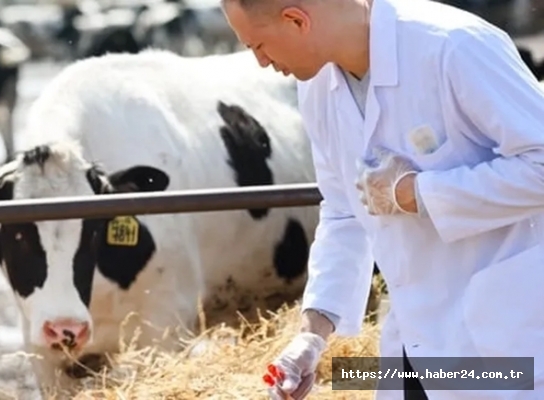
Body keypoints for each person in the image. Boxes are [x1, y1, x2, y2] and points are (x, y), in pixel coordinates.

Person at [220, 0, 544, 398]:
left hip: (506, 344)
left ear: (296, 19)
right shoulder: (318, 86)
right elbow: (344, 211)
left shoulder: (453, 46)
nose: (262, 62)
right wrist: (312, 336)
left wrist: (419, 193)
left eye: (258, 46)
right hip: (415, 343)